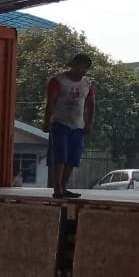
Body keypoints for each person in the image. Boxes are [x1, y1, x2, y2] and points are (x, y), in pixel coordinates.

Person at [44, 53, 95, 199]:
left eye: (86, 67)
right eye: (80, 66)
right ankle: (57, 188)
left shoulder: (87, 84)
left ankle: (64, 187)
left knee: (73, 158)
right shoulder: (58, 81)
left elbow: (91, 104)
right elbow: (50, 103)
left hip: (78, 126)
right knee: (60, 156)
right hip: (60, 123)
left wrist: (89, 123)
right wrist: (47, 121)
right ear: (73, 66)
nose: (83, 70)